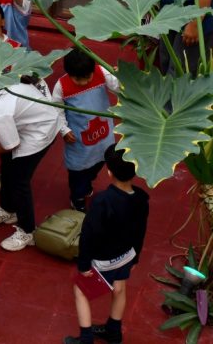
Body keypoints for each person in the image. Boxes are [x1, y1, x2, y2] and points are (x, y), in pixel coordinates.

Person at [65, 146, 150, 344]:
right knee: (119, 289)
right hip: (127, 255)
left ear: (109, 172)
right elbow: (141, 230)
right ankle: (113, 333)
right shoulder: (141, 198)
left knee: (80, 291)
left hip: (104, 260)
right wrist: (136, 257)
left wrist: (84, 265)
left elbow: (89, 235)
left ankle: (86, 339)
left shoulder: (102, 201)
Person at [0, 76, 61, 251]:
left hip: (39, 132)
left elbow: (12, 145)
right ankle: (8, 209)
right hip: (26, 125)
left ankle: (27, 231)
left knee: (19, 181)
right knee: (7, 167)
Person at [53, 49, 120, 211]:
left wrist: (121, 76)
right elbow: (56, 110)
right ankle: (77, 199)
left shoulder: (101, 71)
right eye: (78, 79)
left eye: (87, 77)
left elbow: (119, 88)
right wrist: (64, 130)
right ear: (69, 73)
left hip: (103, 135)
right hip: (78, 138)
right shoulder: (61, 86)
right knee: (78, 171)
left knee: (100, 161)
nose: (83, 82)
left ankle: (86, 184)